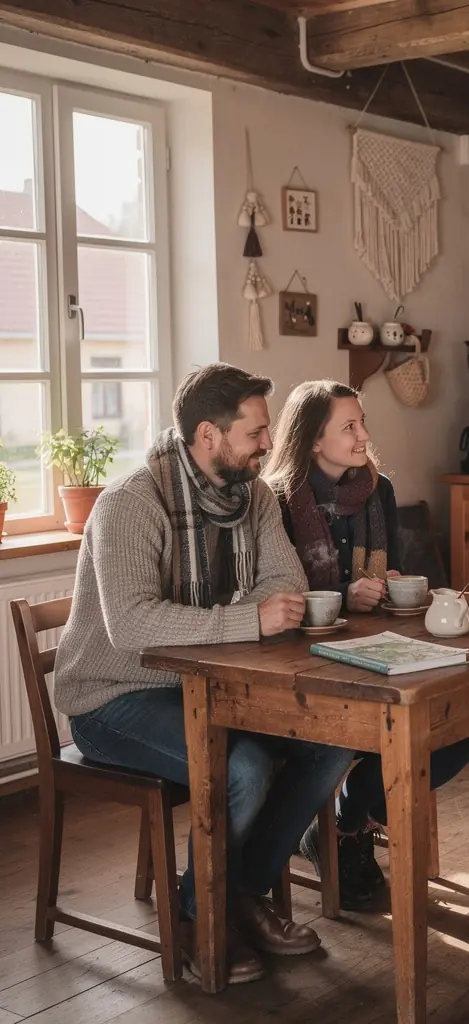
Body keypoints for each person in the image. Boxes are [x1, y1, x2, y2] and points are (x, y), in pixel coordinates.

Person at [55, 363, 354, 985]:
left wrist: (254, 614)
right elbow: (132, 627)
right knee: (239, 768)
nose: (269, 444)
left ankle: (239, 895)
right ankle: (198, 917)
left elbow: (286, 581)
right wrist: (246, 621)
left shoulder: (256, 497)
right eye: (256, 432)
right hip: (114, 697)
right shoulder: (130, 505)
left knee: (330, 743)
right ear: (208, 436)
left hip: (210, 687)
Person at [263, 379, 469, 909]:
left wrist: (388, 584)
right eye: (350, 426)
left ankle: (346, 821)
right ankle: (343, 831)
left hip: (371, 647)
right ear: (314, 439)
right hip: (296, 661)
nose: (364, 435)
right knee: (369, 736)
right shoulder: (274, 499)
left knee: (459, 728)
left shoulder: (376, 489)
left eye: (363, 422)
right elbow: (274, 593)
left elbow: (386, 574)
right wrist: (342, 592)